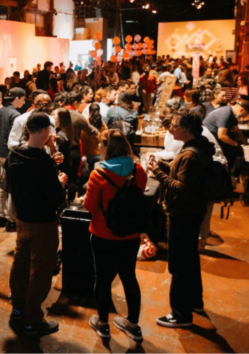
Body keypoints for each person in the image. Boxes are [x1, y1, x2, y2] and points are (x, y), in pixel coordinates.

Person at [147, 111, 214, 327]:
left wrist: (157, 174)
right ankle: (195, 302)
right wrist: (162, 167)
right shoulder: (194, 149)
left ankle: (180, 314)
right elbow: (182, 175)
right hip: (193, 212)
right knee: (190, 259)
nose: (171, 128)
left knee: (178, 264)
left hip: (184, 214)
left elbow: (181, 187)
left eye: (175, 125)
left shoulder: (189, 155)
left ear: (186, 129)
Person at [6, 112, 67, 336]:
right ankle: (33, 318)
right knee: (41, 270)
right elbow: (56, 198)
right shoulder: (43, 162)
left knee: (20, 264)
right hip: (43, 222)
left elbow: (10, 185)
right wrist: (60, 182)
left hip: (22, 219)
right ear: (44, 131)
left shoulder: (14, 155)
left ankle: (18, 310)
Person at [85, 130, 147, 341]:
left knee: (102, 278)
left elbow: (90, 206)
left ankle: (102, 324)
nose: (99, 148)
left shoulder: (98, 174)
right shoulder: (138, 170)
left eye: (102, 144)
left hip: (103, 233)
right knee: (129, 276)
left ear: (107, 148)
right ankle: (133, 325)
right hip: (130, 234)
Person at [0, 88, 26, 230]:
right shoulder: (16, 114)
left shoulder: (0, 112)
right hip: (10, 154)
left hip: (0, 153)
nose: (24, 102)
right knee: (11, 187)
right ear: (17, 98)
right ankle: (11, 220)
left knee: (3, 186)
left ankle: (1, 216)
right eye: (23, 99)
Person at [202, 100, 249, 167]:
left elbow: (237, 132)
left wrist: (247, 145)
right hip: (209, 138)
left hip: (213, 137)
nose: (242, 118)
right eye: (244, 115)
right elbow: (221, 136)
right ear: (241, 110)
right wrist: (237, 145)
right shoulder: (226, 113)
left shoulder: (232, 114)